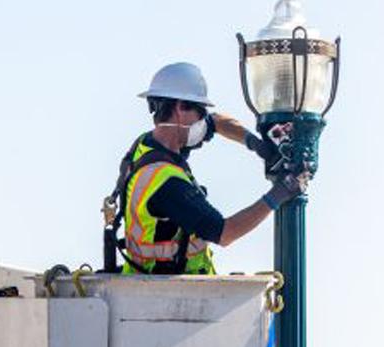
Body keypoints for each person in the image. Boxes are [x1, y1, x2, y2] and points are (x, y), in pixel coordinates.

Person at [105, 62, 308, 275]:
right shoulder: (167, 183)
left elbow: (217, 122)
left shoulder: (146, 146)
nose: (203, 120)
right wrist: (280, 193)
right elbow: (225, 233)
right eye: (200, 112)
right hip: (166, 295)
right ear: (180, 108)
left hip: (145, 283)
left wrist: (255, 144)